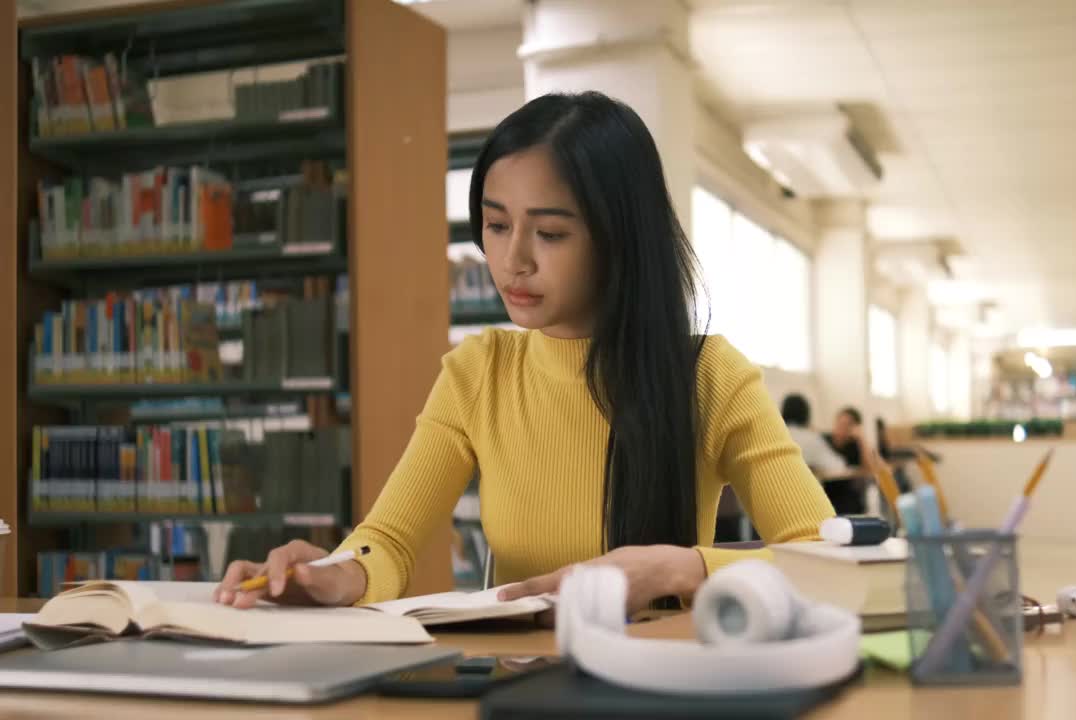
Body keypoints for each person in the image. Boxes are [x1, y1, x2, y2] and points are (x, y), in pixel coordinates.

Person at [214, 92, 834, 616]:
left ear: (620, 238)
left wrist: (681, 568)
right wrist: (331, 574)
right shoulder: (477, 372)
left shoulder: (709, 376)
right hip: (515, 685)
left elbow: (831, 561)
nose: (514, 260)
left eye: (551, 233)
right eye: (496, 224)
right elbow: (390, 542)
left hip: (663, 684)